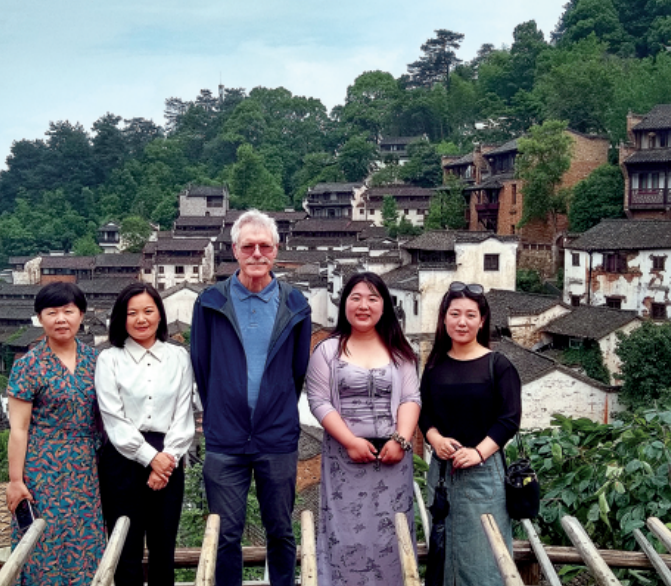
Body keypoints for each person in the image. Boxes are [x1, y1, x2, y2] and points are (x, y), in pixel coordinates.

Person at [190, 209, 312, 586]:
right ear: (234, 250)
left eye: (264, 246)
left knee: (281, 530)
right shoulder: (210, 302)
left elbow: (297, 371)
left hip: (276, 436)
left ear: (276, 249)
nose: (257, 253)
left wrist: (275, 407)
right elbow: (202, 367)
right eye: (248, 246)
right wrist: (222, 410)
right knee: (225, 533)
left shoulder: (295, 304)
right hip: (226, 437)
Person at [306, 272, 420, 586]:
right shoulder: (327, 351)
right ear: (344, 304)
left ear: (385, 306)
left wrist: (401, 440)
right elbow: (319, 400)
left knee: (392, 533)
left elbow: (411, 398)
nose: (363, 305)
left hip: (393, 457)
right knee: (345, 534)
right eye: (355, 298)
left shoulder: (401, 352)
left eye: (372, 298)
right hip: (344, 457)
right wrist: (350, 441)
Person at [419, 282, 521, 586]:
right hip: (442, 472)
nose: (461, 322)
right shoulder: (434, 366)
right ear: (444, 318)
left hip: (484, 474)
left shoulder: (498, 365)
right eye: (455, 314)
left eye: (470, 315)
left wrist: (478, 452)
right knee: (445, 556)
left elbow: (509, 419)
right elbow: (424, 412)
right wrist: (435, 438)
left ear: (482, 320)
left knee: (483, 562)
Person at [5, 282, 105, 586]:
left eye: (68, 311)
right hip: (42, 468)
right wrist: (15, 481)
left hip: (87, 468)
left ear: (81, 315)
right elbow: (19, 428)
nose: (61, 319)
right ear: (40, 318)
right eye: (52, 312)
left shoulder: (97, 361)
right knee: (42, 541)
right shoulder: (28, 366)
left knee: (86, 540)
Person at [96, 283, 195, 586]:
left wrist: (167, 459)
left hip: (168, 455)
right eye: (132, 313)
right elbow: (113, 418)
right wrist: (151, 459)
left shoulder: (179, 357)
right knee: (125, 547)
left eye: (148, 311)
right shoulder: (109, 359)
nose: (141, 319)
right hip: (122, 458)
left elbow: (183, 414)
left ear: (160, 315)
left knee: (163, 546)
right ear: (121, 319)